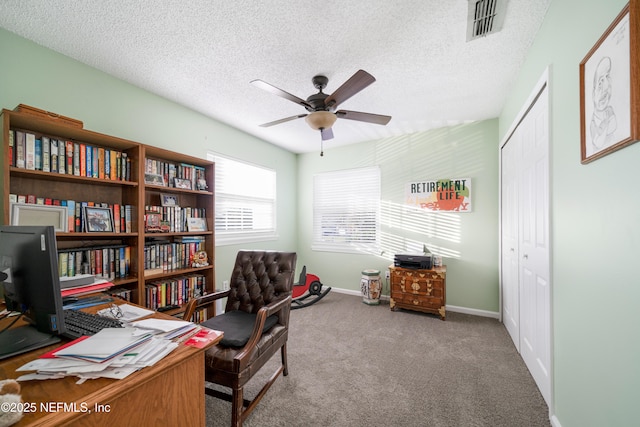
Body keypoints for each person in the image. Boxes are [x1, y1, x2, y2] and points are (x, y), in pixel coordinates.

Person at [590, 56, 617, 151]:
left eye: (606, 77)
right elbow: (598, 142)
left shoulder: (609, 110)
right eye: (600, 83)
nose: (605, 87)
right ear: (593, 95)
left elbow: (614, 126)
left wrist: (604, 127)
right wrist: (606, 125)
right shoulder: (593, 124)